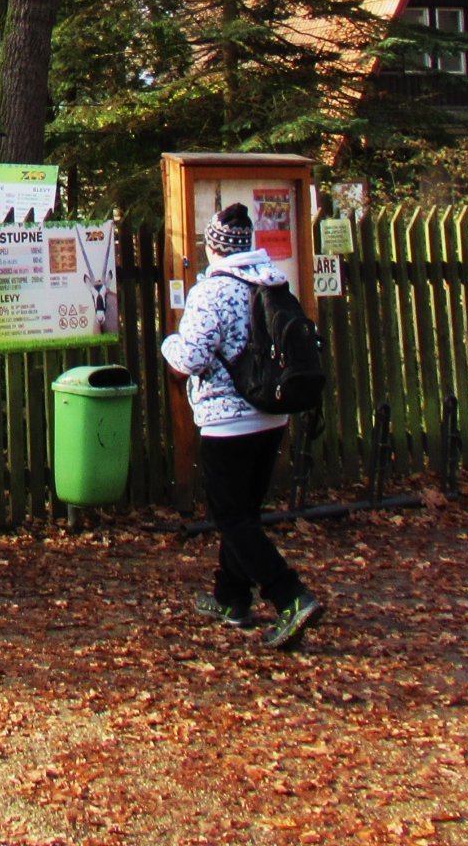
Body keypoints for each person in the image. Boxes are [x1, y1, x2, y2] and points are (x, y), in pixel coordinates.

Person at [163, 202, 325, 650]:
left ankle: (289, 595)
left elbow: (191, 358)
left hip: (226, 421)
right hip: (271, 413)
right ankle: (231, 598)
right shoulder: (271, 281)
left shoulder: (211, 293)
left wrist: (168, 343)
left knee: (229, 516)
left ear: (212, 248)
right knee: (244, 513)